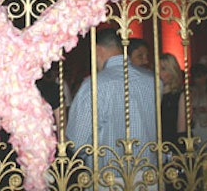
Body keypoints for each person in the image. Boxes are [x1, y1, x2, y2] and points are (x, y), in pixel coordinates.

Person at [66, 28, 158, 189]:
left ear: (98, 50)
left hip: (109, 177)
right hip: (148, 176)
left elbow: (77, 142)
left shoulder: (95, 84)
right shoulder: (152, 80)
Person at [159, 53, 186, 148]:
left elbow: (181, 129)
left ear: (172, 71)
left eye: (163, 69)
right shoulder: (153, 95)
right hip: (156, 144)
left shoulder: (180, 95)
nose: (158, 73)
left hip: (174, 144)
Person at [190, 62, 207, 145]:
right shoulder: (190, 91)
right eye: (195, 77)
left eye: (199, 77)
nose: (196, 80)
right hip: (194, 127)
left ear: (206, 76)